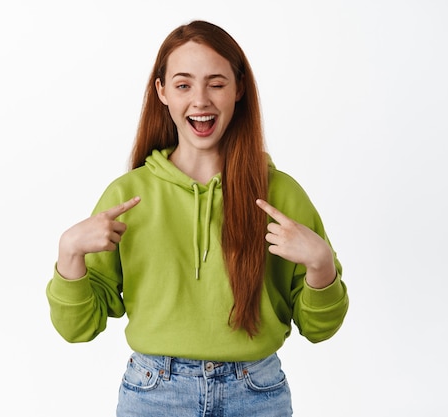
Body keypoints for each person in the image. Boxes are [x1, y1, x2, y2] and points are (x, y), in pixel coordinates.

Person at [46, 20, 348, 417]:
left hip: (256, 392)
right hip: (154, 394)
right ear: (162, 92)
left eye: (217, 83)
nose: (200, 100)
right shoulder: (126, 196)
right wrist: (69, 254)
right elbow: (77, 328)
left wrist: (321, 265)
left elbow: (319, 327)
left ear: (239, 89)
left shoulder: (281, 194)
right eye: (184, 84)